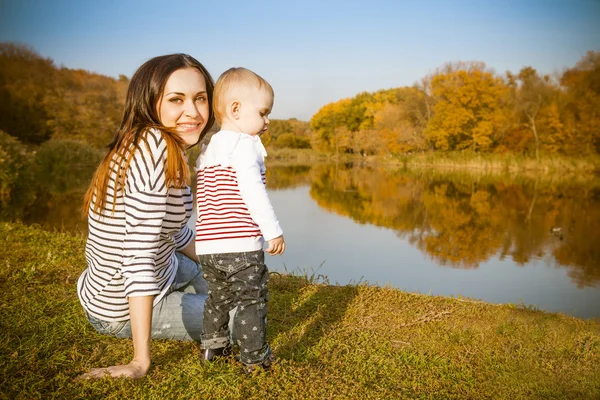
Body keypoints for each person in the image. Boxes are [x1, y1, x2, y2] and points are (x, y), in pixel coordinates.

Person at [76, 53, 215, 379]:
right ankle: (157, 317)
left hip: (158, 269)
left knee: (221, 274)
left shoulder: (167, 147)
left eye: (200, 99)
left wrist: (224, 265)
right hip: (118, 306)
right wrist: (140, 362)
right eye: (176, 99)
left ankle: (193, 293)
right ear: (149, 103)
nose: (193, 112)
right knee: (243, 318)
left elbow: (176, 233)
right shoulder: (152, 150)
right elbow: (138, 257)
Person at [195, 67, 286, 372]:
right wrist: (272, 231)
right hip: (241, 245)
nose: (267, 121)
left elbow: (205, 200)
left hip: (208, 245)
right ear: (236, 109)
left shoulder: (207, 150)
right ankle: (254, 358)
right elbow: (253, 193)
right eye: (263, 112)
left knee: (218, 298)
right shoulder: (245, 147)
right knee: (251, 299)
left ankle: (213, 349)